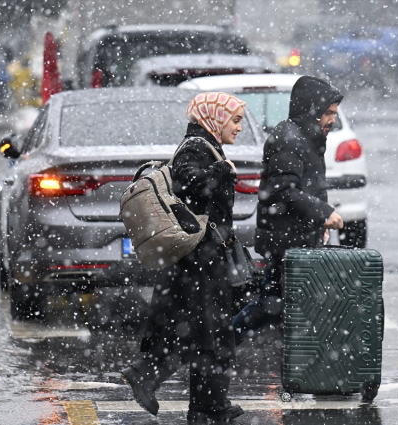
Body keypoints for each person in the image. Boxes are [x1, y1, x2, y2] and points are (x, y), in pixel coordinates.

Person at [121, 92, 246, 423]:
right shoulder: (195, 148)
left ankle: (204, 405)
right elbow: (189, 183)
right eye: (235, 120)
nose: (240, 128)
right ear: (214, 118)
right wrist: (221, 171)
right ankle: (202, 403)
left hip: (200, 259)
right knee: (209, 335)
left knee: (201, 335)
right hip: (199, 261)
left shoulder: (204, 146)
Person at [233, 76, 344, 345]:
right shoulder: (290, 139)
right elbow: (285, 190)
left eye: (334, 114)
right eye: (328, 113)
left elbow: (307, 187)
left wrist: (319, 225)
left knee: (283, 306)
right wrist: (323, 212)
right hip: (286, 242)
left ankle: (302, 369)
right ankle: (215, 345)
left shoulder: (306, 137)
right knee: (275, 306)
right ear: (311, 110)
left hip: (296, 239)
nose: (332, 120)